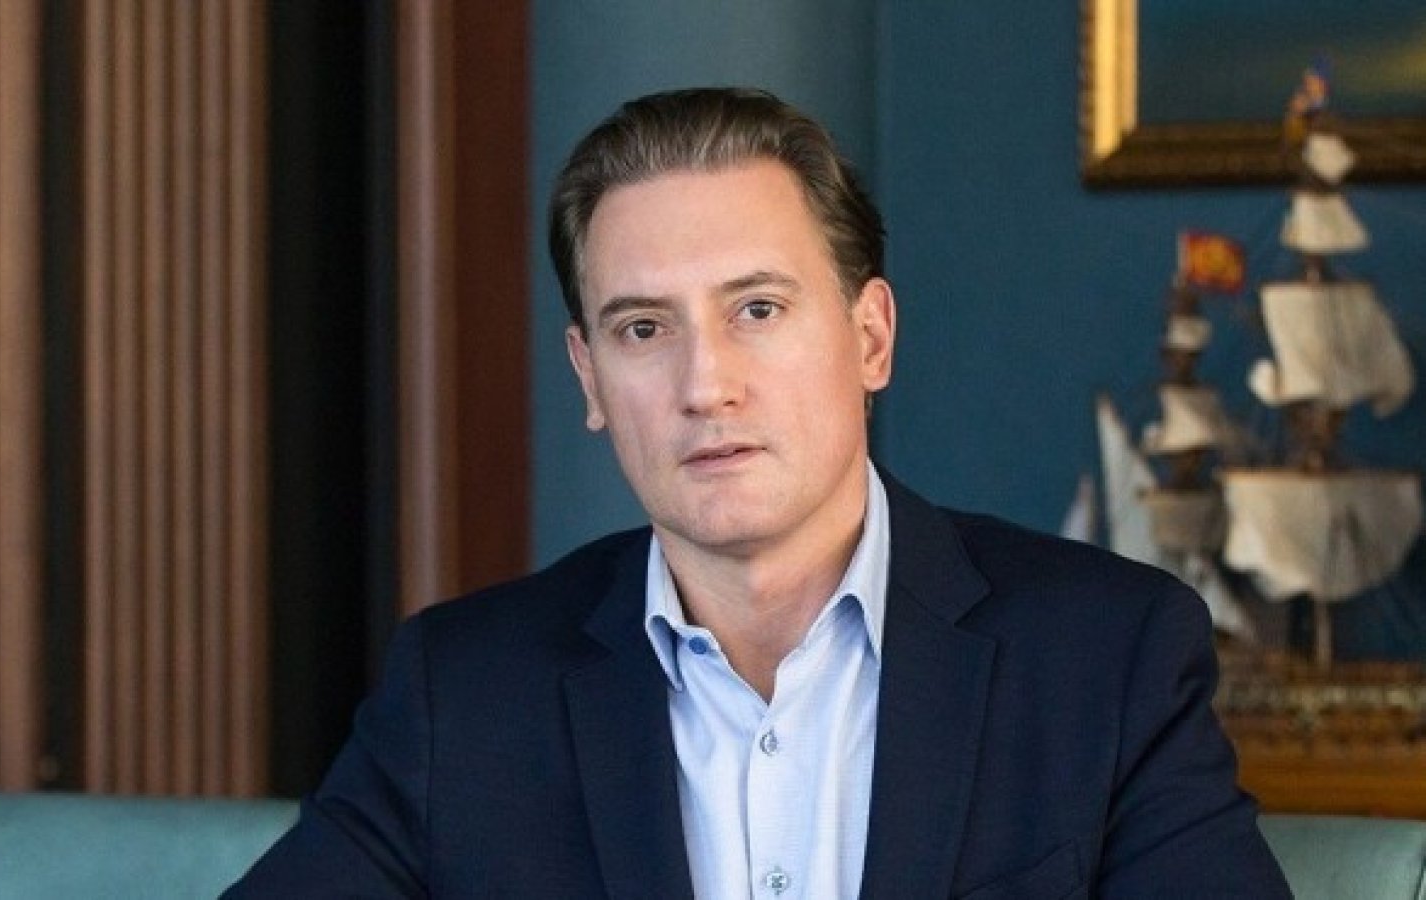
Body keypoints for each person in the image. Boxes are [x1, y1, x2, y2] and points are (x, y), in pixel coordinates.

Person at [228, 87, 1291, 898]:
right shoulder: (461, 693)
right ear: (590, 378)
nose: (705, 385)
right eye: (643, 328)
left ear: (870, 338)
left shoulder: (1106, 657)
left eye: (757, 310)